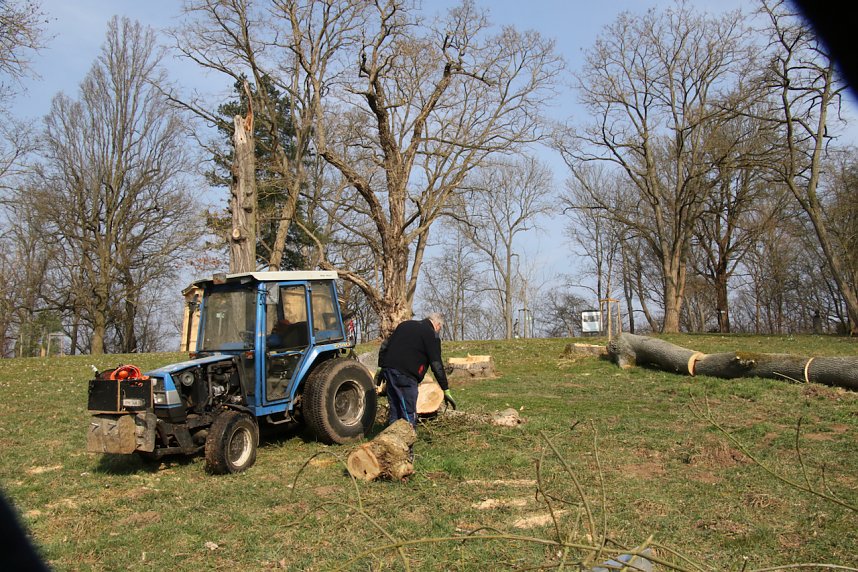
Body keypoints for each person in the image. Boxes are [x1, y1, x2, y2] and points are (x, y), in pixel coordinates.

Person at [378, 312, 455, 428]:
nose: (438, 331)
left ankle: (392, 442)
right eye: (440, 328)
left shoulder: (404, 325)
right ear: (438, 325)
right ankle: (407, 443)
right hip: (406, 376)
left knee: (395, 409)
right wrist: (445, 388)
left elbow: (384, 346)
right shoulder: (431, 334)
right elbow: (436, 364)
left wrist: (381, 367)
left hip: (390, 370)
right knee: (408, 413)